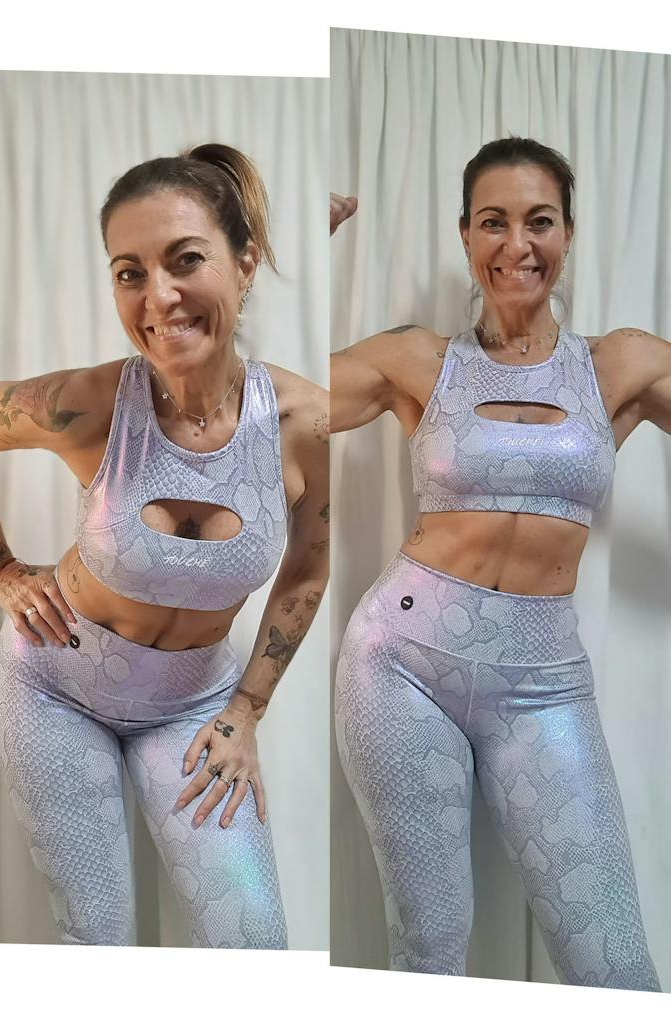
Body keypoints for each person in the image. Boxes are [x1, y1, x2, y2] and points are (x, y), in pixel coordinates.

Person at [331, 137, 664, 989]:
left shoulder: (617, 364)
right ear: (465, 235)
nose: (518, 244)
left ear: (569, 233)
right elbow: (260, 409)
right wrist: (279, 256)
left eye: (539, 222)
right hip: (400, 665)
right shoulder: (419, 360)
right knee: (430, 949)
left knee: (613, 966)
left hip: (543, 682)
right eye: (494, 222)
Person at [0, 144, 328, 947]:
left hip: (197, 703)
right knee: (98, 938)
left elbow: (308, 569)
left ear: (245, 266)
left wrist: (248, 707)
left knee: (252, 943)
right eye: (129, 272)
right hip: (54, 687)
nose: (158, 296)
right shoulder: (92, 404)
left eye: (185, 261)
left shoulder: (304, 420)